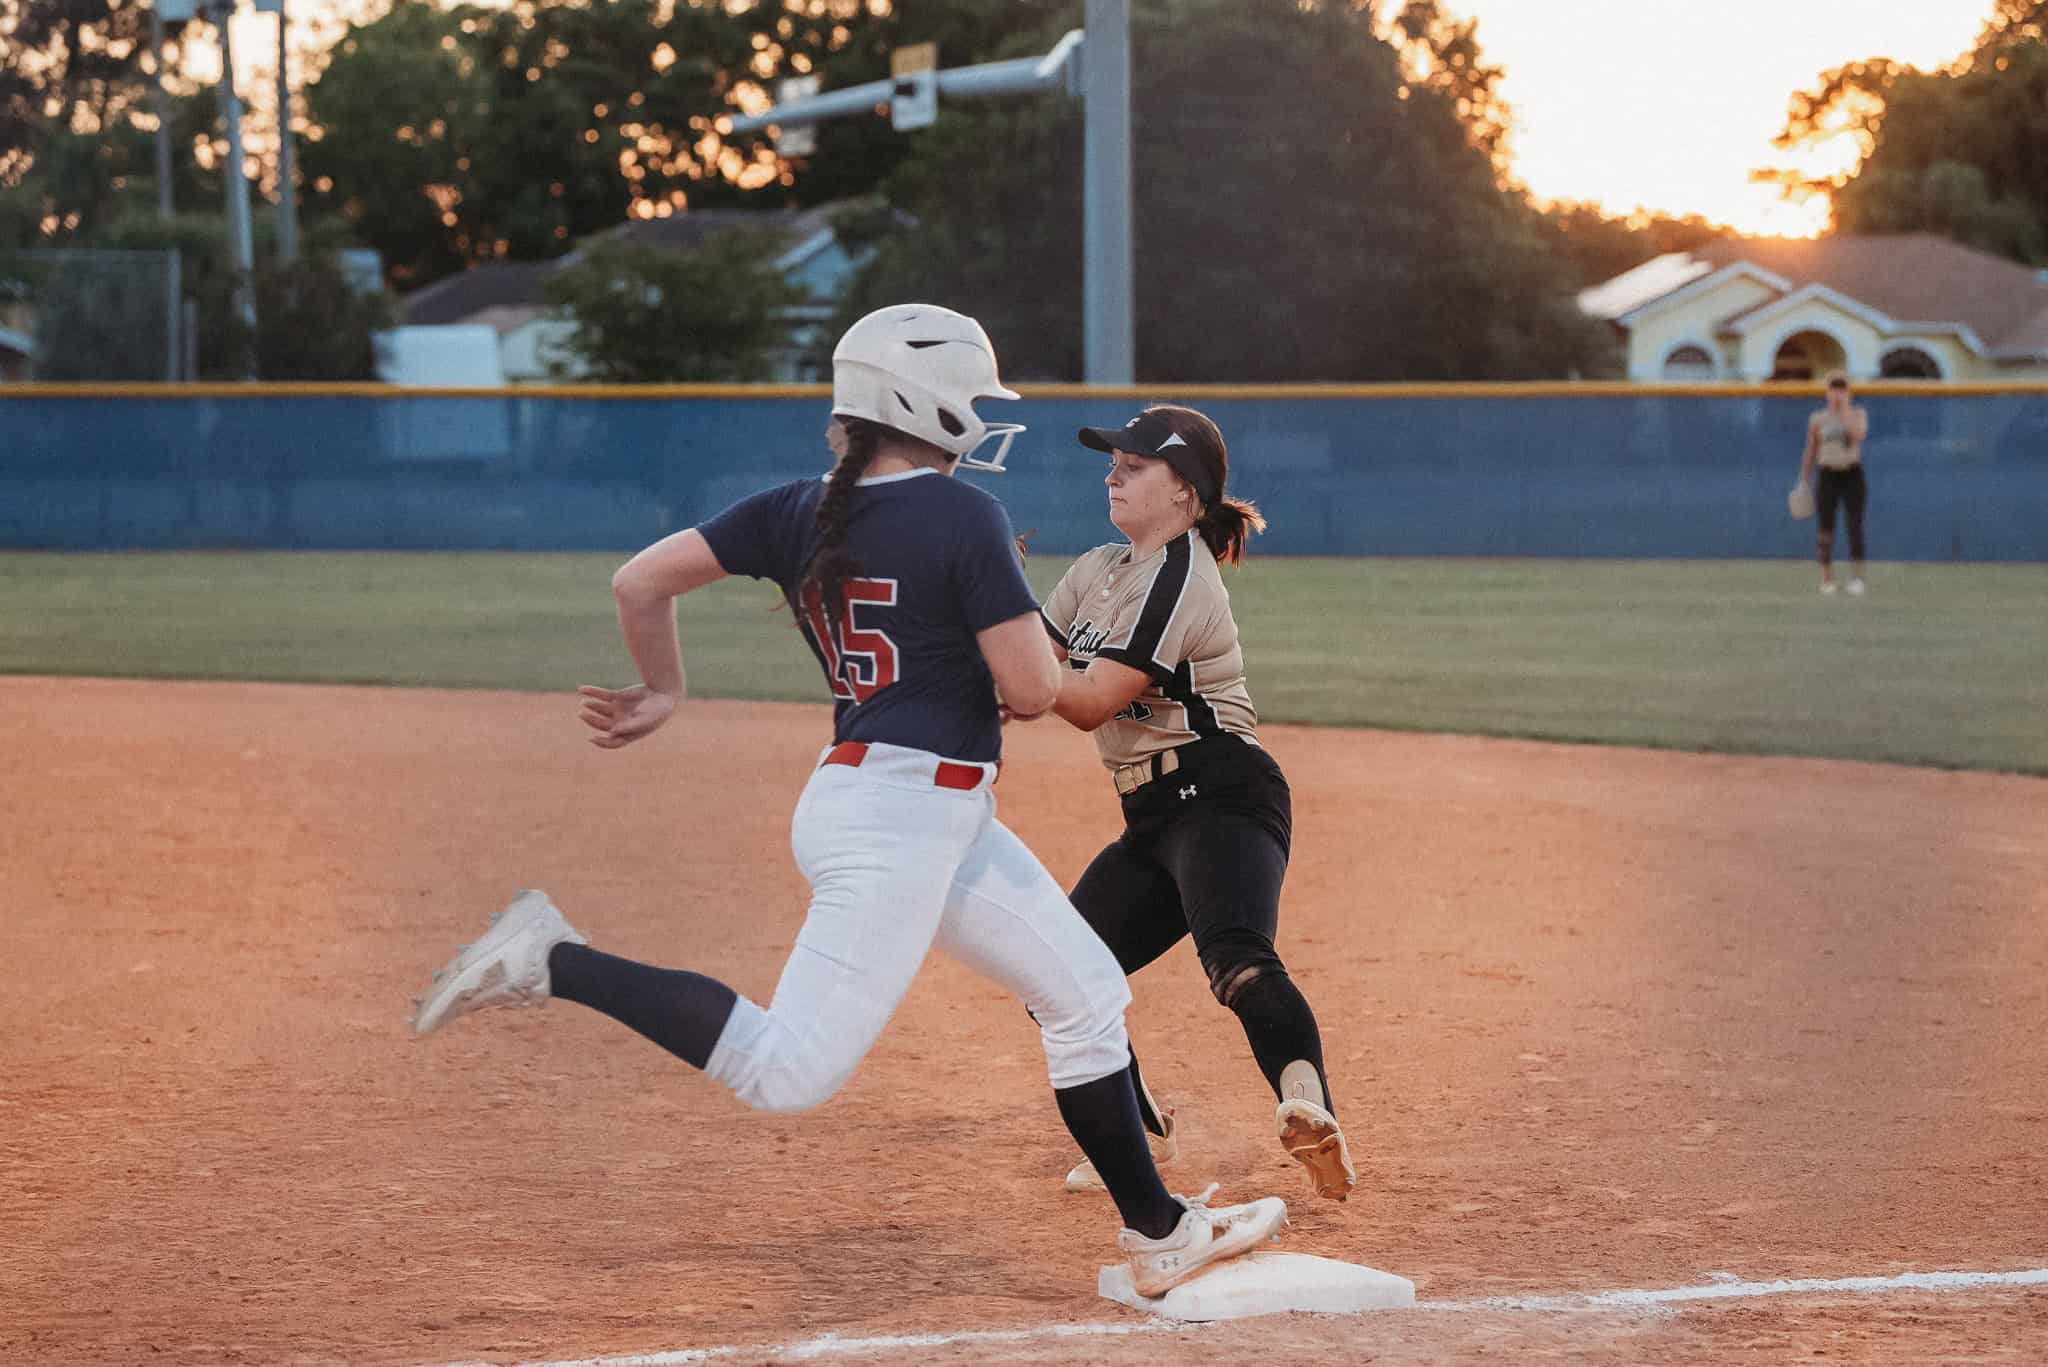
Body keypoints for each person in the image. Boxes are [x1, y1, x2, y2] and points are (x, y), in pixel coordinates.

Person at [408, 306, 1285, 1297]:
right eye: (968, 400)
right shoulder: (960, 516)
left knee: (1084, 990)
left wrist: (661, 688)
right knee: (789, 1069)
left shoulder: (797, 507)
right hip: (899, 818)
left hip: (916, 808)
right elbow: (1035, 692)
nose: (976, 419)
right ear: (928, 404)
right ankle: (548, 954)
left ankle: (1158, 1228)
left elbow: (638, 579)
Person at [1019, 404, 1357, 1204]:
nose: (1114, 473)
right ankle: (1140, 1129)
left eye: (1134, 464)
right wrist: (985, 607)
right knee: (1055, 975)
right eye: (1113, 462)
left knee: (1236, 959)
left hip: (1224, 795)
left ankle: (1310, 1108)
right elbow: (1024, 667)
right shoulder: (1098, 569)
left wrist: (1010, 650)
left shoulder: (1182, 572)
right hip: (1151, 817)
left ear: (1187, 495)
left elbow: (1089, 698)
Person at [1797, 372, 1871, 595]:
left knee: (1854, 526)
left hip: (1852, 474)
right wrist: (1804, 479)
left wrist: (1844, 410)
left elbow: (1858, 435)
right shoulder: (1818, 418)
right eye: (1833, 389)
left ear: (1849, 392)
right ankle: (1827, 579)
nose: (1837, 394)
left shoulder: (1858, 413)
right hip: (1827, 473)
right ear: (1826, 392)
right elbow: (1811, 449)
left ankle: (1857, 578)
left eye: (1842, 389)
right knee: (1825, 529)